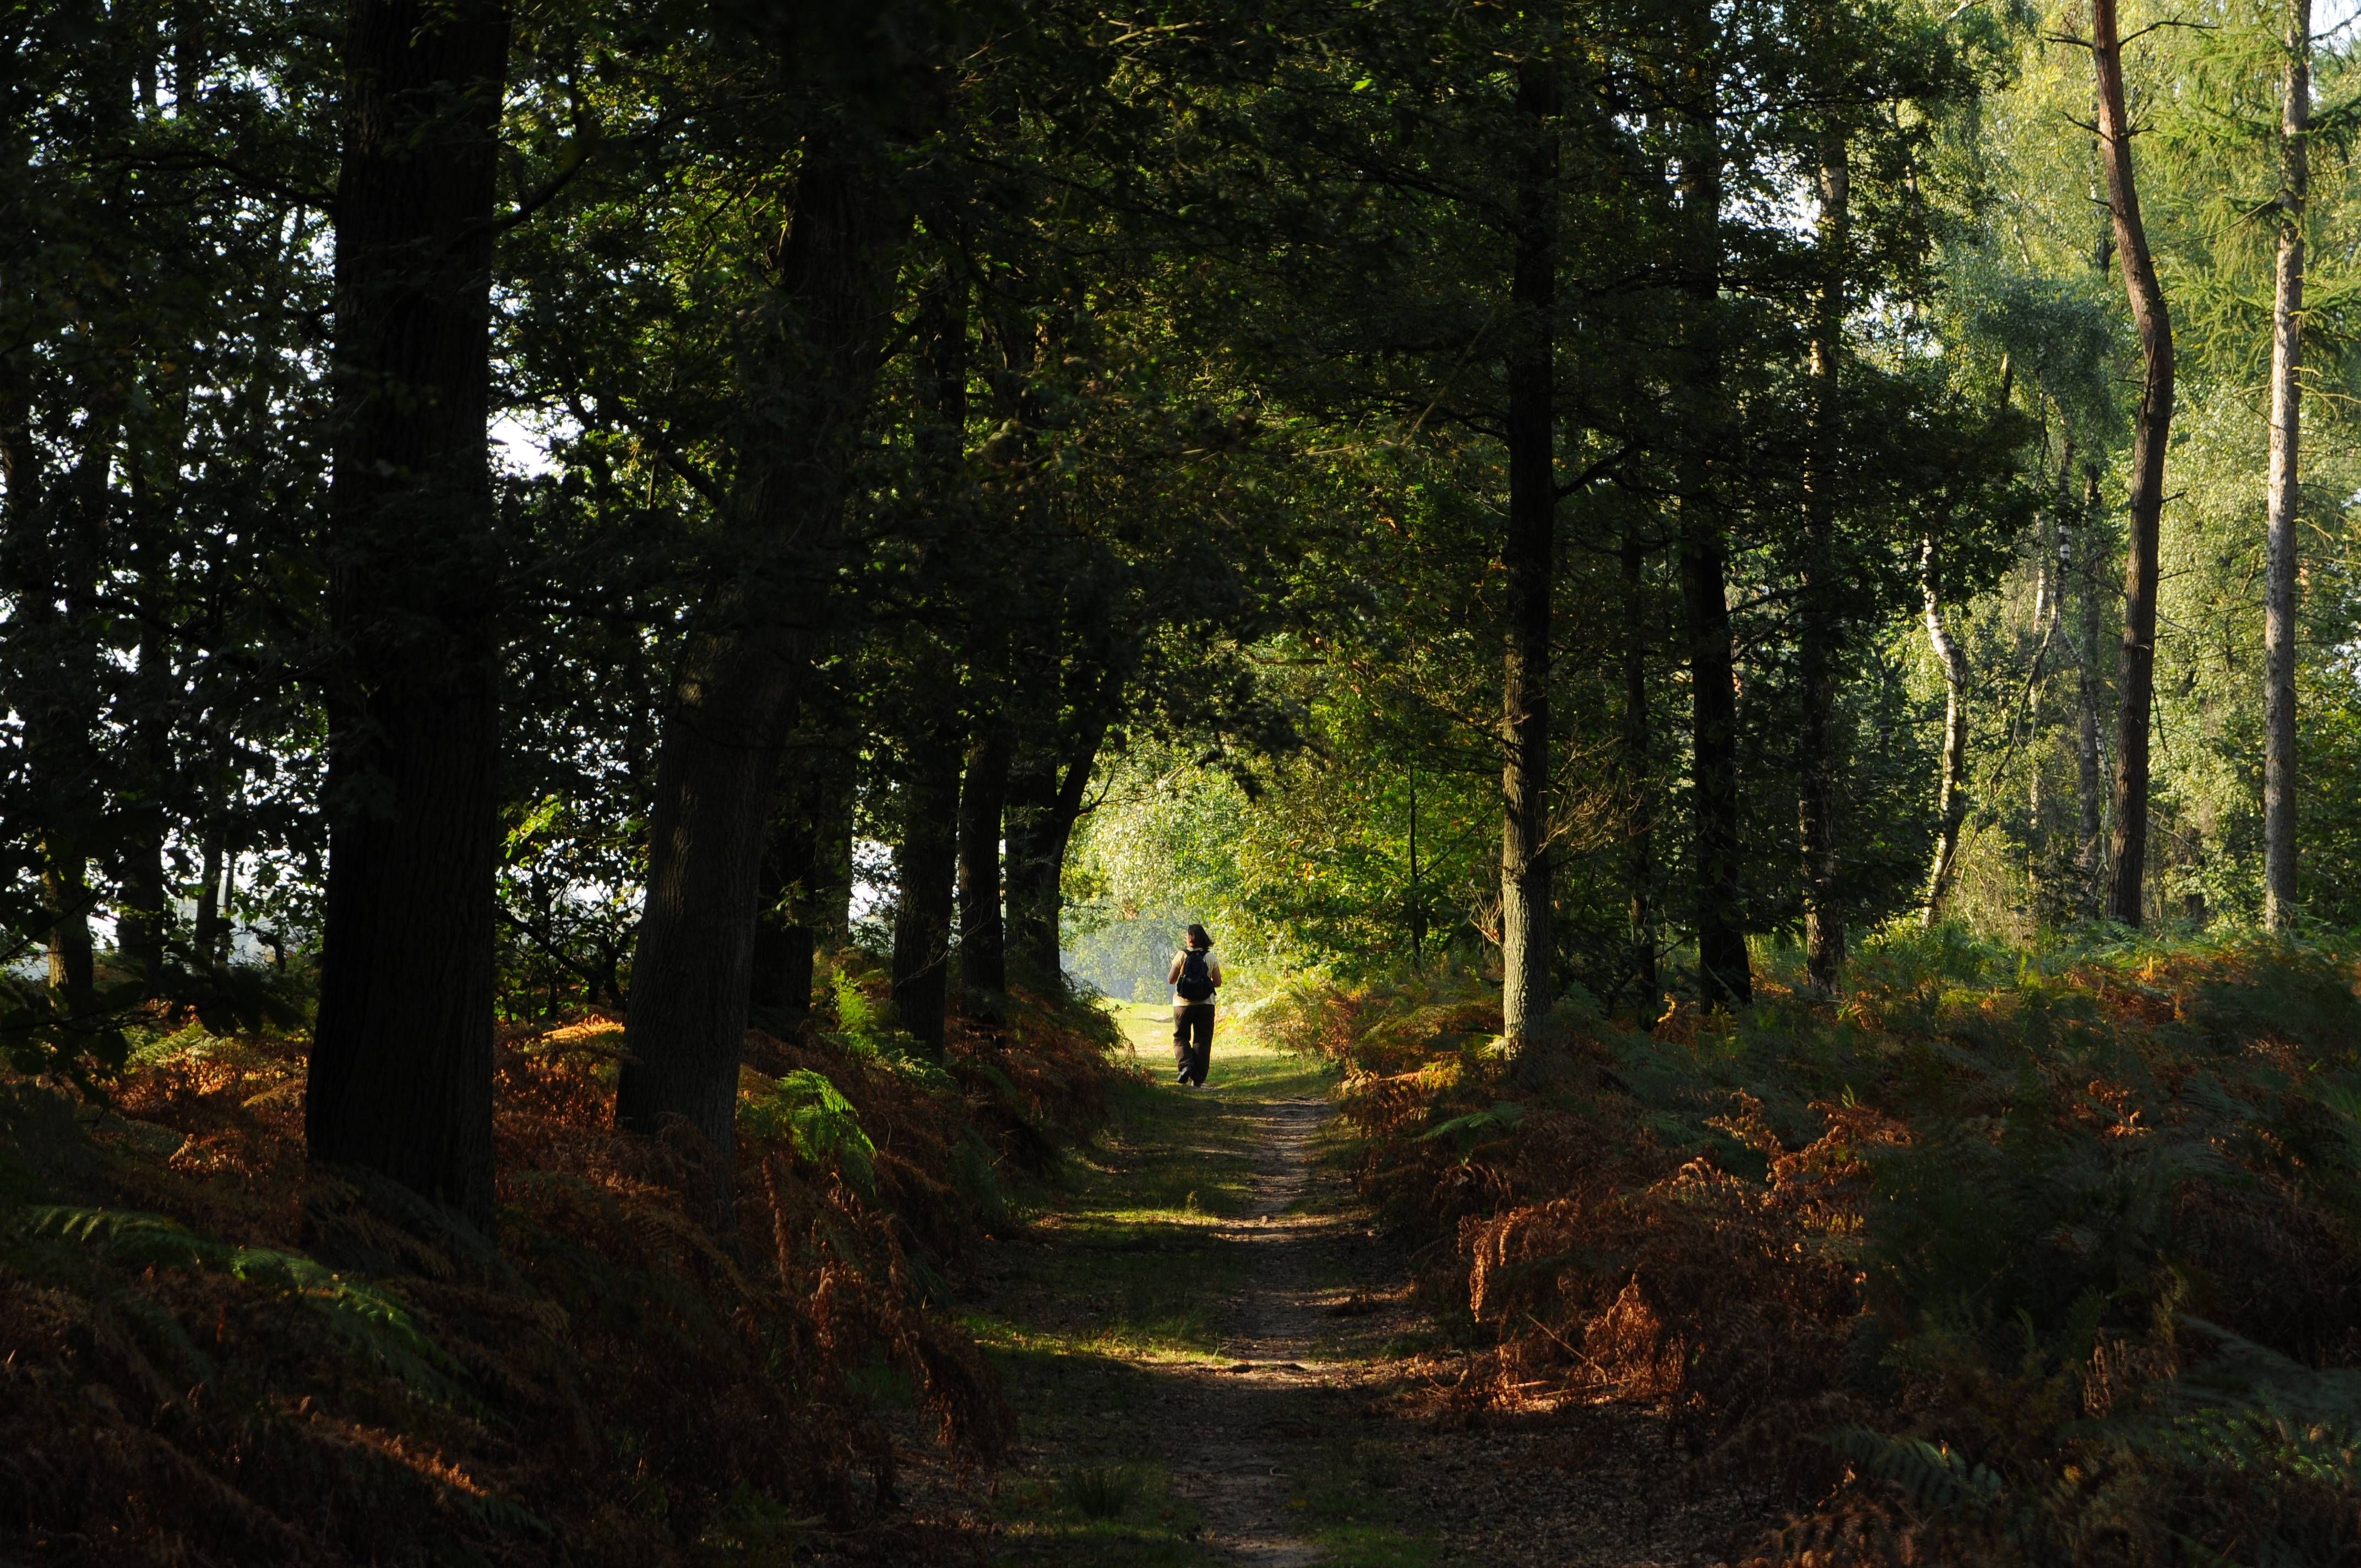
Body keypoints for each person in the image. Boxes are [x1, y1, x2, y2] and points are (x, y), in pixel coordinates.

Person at [1167, 923, 1222, 1087]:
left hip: (1182, 1004)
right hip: (1206, 1004)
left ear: (1190, 937)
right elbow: (1218, 983)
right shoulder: (1210, 957)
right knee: (1203, 1040)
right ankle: (1198, 1080)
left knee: (1181, 1037)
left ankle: (1186, 1066)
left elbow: (1171, 980)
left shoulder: (1181, 955)